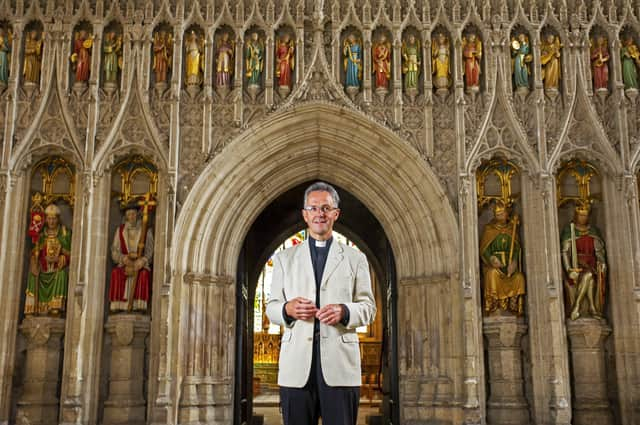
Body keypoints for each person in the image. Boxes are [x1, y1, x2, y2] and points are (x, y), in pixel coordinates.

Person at [266, 182, 376, 425]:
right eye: (314, 208)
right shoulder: (284, 259)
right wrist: (287, 309)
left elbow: (369, 308)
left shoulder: (355, 258)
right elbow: (271, 307)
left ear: (336, 214)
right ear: (305, 215)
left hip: (341, 367)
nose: (320, 214)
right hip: (296, 368)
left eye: (326, 208)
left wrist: (344, 311)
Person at [560, 201, 606, 320]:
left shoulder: (593, 231)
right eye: (580, 215)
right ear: (576, 215)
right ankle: (591, 308)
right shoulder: (569, 230)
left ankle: (577, 306)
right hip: (576, 265)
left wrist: (602, 264)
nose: (583, 218)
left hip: (591, 266)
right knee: (589, 278)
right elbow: (564, 252)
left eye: (585, 215)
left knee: (589, 275)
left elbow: (599, 252)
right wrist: (569, 269)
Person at [479, 201, 526, 316]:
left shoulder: (512, 228)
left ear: (507, 213)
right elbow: (484, 249)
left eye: (502, 214)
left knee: (519, 278)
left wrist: (514, 262)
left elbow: (516, 248)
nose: (499, 217)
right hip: (496, 265)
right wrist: (491, 258)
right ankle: (494, 305)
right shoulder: (489, 229)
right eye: (497, 215)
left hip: (509, 266)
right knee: (492, 275)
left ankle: (513, 305)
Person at [24, 204, 71, 315]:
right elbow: (35, 253)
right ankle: (32, 309)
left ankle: (55, 307)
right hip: (43, 267)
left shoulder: (64, 233)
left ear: (58, 219)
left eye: (54, 218)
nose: (51, 221)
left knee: (62, 274)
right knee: (32, 275)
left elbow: (69, 254)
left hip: (56, 268)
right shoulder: (41, 234)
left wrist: (60, 258)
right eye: (49, 218)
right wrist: (35, 261)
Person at [108, 203, 153, 312]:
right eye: (129, 214)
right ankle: (120, 306)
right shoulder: (120, 231)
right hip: (125, 263)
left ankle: (138, 306)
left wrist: (142, 260)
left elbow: (150, 250)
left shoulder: (145, 229)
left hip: (139, 265)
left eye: (133, 214)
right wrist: (124, 259)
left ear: (137, 214)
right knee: (116, 273)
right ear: (126, 216)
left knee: (144, 274)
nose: (131, 217)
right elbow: (114, 250)